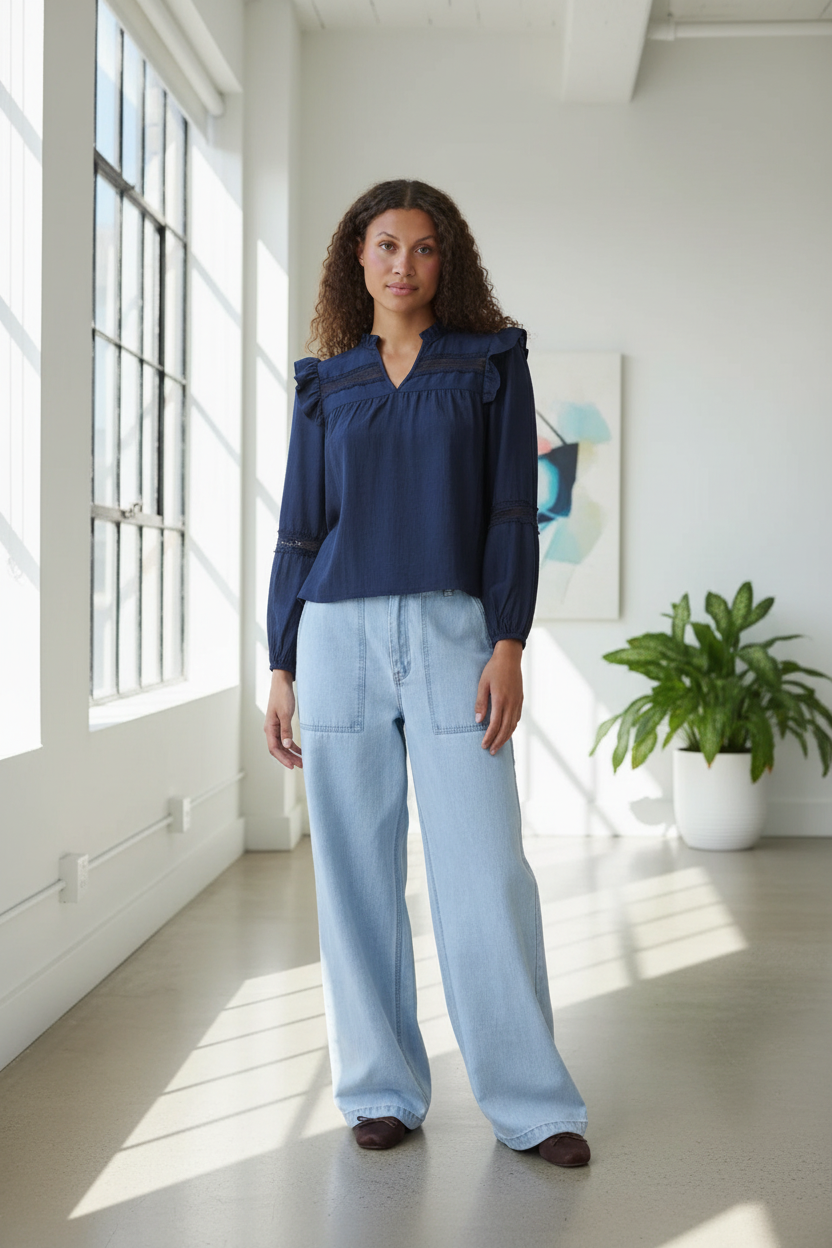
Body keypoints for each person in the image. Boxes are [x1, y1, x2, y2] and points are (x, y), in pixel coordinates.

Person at [264, 179, 590, 1168]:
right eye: (385, 245)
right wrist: (279, 661)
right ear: (355, 260)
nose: (402, 264)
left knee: (485, 871)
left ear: (448, 263)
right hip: (336, 635)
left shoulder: (490, 363)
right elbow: (299, 527)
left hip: (454, 632)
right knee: (353, 875)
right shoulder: (326, 382)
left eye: (423, 247)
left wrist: (507, 641)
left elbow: (509, 512)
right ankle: (380, 1090)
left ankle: (533, 1104)